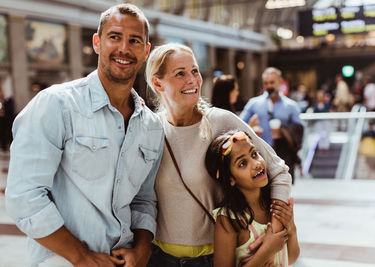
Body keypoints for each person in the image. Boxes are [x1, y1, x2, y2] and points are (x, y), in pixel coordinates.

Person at [6, 4, 164, 267]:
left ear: (146, 51)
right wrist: (81, 257)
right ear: (97, 42)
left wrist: (142, 248)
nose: (124, 48)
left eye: (134, 40)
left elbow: (144, 200)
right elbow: (24, 196)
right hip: (62, 261)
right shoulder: (56, 105)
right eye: (114, 37)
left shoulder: (151, 126)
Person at [145, 43, 291, 266]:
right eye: (180, 73)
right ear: (157, 82)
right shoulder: (150, 129)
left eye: (194, 71)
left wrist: (272, 234)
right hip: (158, 258)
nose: (192, 80)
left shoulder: (220, 121)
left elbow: (279, 171)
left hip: (212, 258)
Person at [205, 130, 300, 267]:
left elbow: (290, 258)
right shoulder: (229, 220)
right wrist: (266, 251)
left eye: (254, 154)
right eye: (243, 163)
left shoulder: (275, 206)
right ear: (231, 179)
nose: (256, 164)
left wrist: (291, 228)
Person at [240, 67, 304, 183]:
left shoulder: (291, 106)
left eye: (272, 82)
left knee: (282, 191)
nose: (269, 86)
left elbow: (299, 130)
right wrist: (251, 127)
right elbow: (239, 125)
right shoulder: (254, 104)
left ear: (280, 82)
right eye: (266, 83)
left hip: (283, 156)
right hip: (260, 155)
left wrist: (284, 131)